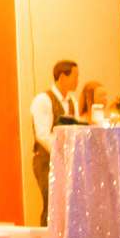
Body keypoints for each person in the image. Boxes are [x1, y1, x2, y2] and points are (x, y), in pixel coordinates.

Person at [29, 60, 81, 221]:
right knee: (51, 204)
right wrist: (60, 152)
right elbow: (42, 134)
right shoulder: (43, 100)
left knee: (67, 207)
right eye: (75, 76)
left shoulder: (73, 101)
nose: (77, 80)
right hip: (46, 161)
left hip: (67, 160)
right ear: (62, 77)